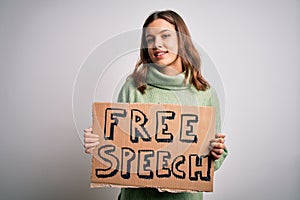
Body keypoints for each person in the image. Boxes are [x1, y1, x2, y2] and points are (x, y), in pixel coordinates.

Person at [84, 10, 228, 200]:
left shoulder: (203, 93)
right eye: (150, 39)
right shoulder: (133, 87)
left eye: (165, 36)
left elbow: (211, 163)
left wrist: (216, 153)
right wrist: (99, 142)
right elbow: (118, 148)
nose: (156, 44)